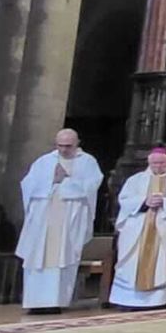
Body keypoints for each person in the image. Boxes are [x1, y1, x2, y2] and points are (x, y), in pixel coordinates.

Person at [16, 129, 103, 314]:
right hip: (42, 219)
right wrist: (52, 181)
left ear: (77, 143)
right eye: (60, 146)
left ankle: (54, 302)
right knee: (37, 258)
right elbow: (28, 185)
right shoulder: (44, 161)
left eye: (68, 146)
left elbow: (91, 186)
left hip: (68, 220)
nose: (63, 150)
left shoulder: (88, 162)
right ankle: (34, 302)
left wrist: (67, 181)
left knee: (62, 260)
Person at [111, 149, 166, 309]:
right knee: (132, 263)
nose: (157, 167)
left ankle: (163, 299)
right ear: (149, 163)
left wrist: (165, 202)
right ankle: (129, 300)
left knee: (163, 264)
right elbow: (124, 200)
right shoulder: (136, 180)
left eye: (161, 163)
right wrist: (144, 201)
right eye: (154, 163)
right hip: (138, 229)